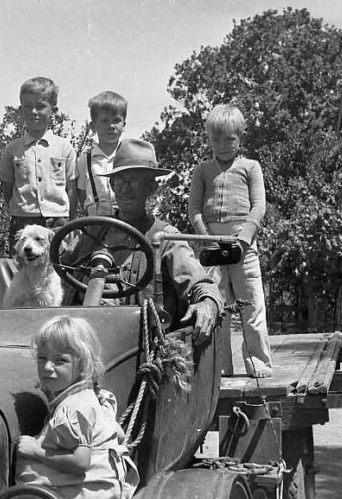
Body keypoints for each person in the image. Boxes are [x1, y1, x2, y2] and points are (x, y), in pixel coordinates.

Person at [62, 138, 223, 344]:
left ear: (151, 188)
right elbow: (58, 266)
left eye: (134, 182)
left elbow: (198, 282)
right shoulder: (92, 232)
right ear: (111, 185)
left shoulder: (165, 238)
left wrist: (207, 303)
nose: (124, 189)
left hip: (136, 345)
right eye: (118, 182)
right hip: (79, 339)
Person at [15, 315, 139, 499]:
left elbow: (80, 462)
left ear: (82, 365)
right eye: (42, 358)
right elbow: (116, 435)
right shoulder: (87, 396)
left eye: (60, 360)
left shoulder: (72, 408)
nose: (47, 367)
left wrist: (36, 451)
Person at [187, 104, 273, 377]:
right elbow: (194, 209)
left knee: (252, 304)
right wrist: (208, 238)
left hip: (243, 247)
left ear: (241, 138)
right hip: (213, 246)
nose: (222, 145)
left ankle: (258, 361)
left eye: (229, 139)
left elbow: (259, 207)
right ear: (208, 139)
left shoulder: (251, 167)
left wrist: (244, 239)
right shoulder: (202, 170)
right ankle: (220, 366)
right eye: (216, 139)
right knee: (217, 304)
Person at [0, 76, 77, 251]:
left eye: (40, 106)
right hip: (23, 220)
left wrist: (66, 218)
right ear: (21, 110)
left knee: (59, 267)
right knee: (22, 269)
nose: (33, 111)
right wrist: (22, 210)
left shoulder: (65, 148)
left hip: (57, 220)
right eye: (28, 106)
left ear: (53, 110)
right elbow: (7, 187)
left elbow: (71, 187)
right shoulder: (13, 149)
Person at [70, 90, 127, 219]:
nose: (111, 126)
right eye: (105, 121)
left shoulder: (128, 157)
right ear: (93, 126)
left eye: (116, 120)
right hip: (96, 220)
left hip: (125, 219)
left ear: (124, 125)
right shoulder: (84, 161)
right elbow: (82, 193)